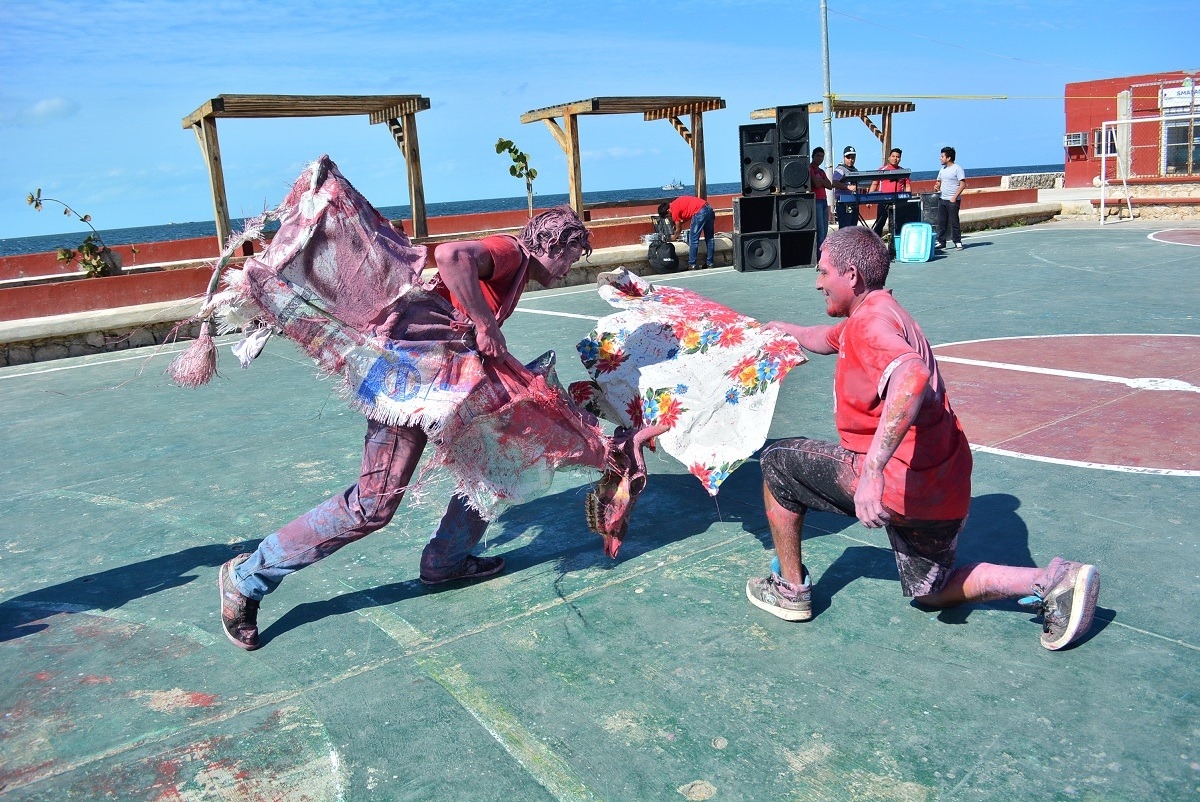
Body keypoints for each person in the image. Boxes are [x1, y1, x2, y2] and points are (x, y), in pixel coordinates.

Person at [219, 208, 592, 651]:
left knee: (492, 462)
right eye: (571, 255)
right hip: (408, 383)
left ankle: (445, 560)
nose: (571, 266)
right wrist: (486, 323)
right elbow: (452, 256)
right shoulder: (511, 252)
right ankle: (247, 577)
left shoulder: (515, 270)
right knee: (373, 504)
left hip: (437, 382)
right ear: (551, 244)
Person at [745, 226, 1100, 652]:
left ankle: (789, 589)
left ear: (851, 274)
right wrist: (785, 329)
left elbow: (911, 375)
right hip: (943, 486)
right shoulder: (881, 312)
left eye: (823, 272)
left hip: (896, 482)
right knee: (931, 591)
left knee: (778, 462)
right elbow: (825, 338)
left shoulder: (869, 325)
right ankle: (1052, 580)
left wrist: (872, 470)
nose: (818, 282)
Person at [658, 196, 715, 270]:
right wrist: (677, 225)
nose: (670, 217)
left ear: (668, 211)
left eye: (668, 216)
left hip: (699, 212)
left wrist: (673, 237)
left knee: (693, 239)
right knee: (710, 238)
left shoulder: (673, 210)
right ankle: (710, 263)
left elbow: (678, 230)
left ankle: (692, 264)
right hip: (709, 209)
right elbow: (688, 215)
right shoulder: (676, 204)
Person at [868, 147, 911, 238]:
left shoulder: (903, 171)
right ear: (889, 157)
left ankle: (896, 244)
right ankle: (876, 244)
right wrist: (869, 200)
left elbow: (907, 186)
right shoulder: (882, 170)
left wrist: (908, 199)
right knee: (880, 223)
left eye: (897, 157)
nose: (895, 158)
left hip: (898, 201)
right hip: (883, 201)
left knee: (898, 223)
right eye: (893, 156)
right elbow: (874, 184)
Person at [934, 146, 967, 250]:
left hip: (953, 200)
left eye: (942, 156)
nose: (940, 158)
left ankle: (957, 241)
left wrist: (954, 197)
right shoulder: (942, 170)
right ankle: (941, 241)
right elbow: (938, 181)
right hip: (942, 199)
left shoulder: (957, 168)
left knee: (954, 222)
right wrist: (936, 186)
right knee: (941, 222)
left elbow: (962, 184)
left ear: (948, 158)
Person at [809, 147, 834, 254]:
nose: (820, 158)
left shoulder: (821, 171)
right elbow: (816, 184)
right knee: (820, 231)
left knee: (825, 231)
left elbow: (829, 185)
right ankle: (820, 257)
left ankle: (823, 255)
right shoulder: (810, 169)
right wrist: (822, 181)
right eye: (818, 156)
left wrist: (822, 181)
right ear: (813, 156)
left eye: (822, 156)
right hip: (816, 201)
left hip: (824, 201)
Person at [831, 145, 860, 230]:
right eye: (848, 157)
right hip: (843, 203)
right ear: (844, 157)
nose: (851, 160)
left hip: (854, 202)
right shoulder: (840, 169)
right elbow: (834, 183)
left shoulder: (855, 170)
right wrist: (847, 187)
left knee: (853, 227)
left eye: (853, 157)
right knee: (845, 228)